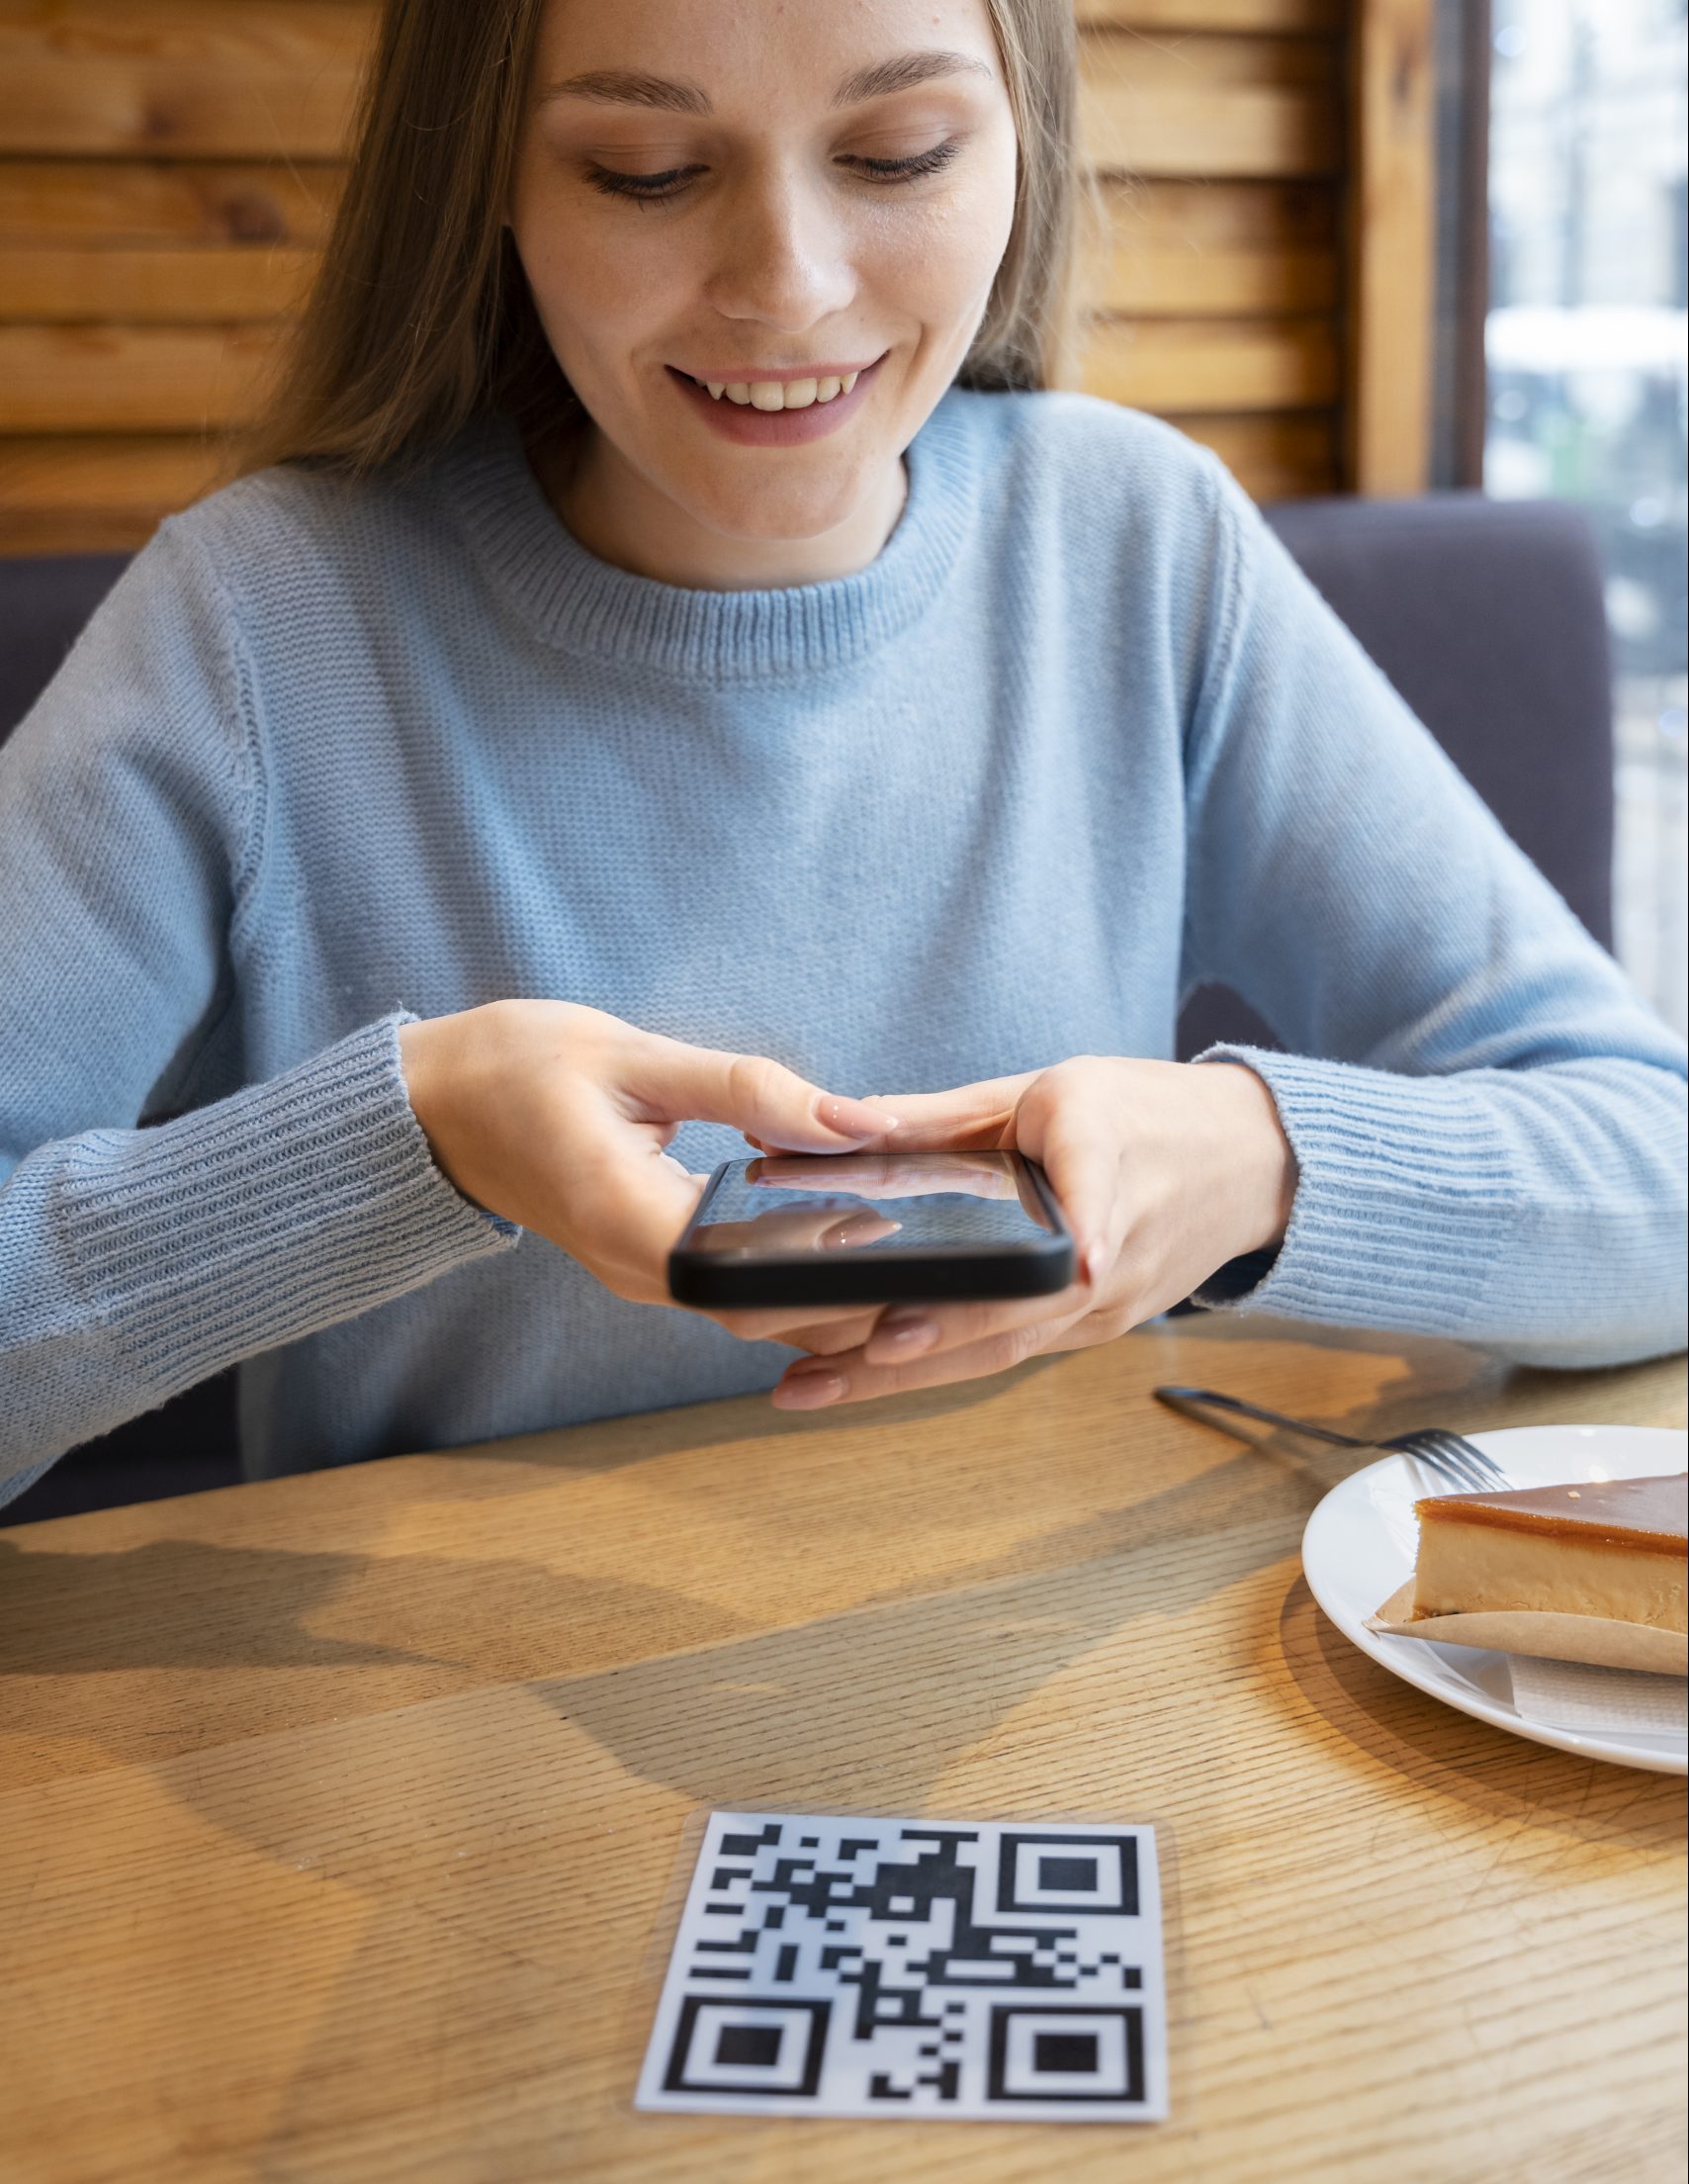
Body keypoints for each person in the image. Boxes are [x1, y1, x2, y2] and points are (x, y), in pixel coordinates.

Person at [1, 0, 1683, 1500]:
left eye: (898, 151)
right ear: (487, 185)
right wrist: (419, 1137)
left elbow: (1654, 1168)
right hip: (436, 1768)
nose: (787, 286)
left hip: (1038, 1678)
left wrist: (1258, 1165)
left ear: (1020, 141)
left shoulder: (1138, 546)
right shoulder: (258, 621)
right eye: (645, 169)